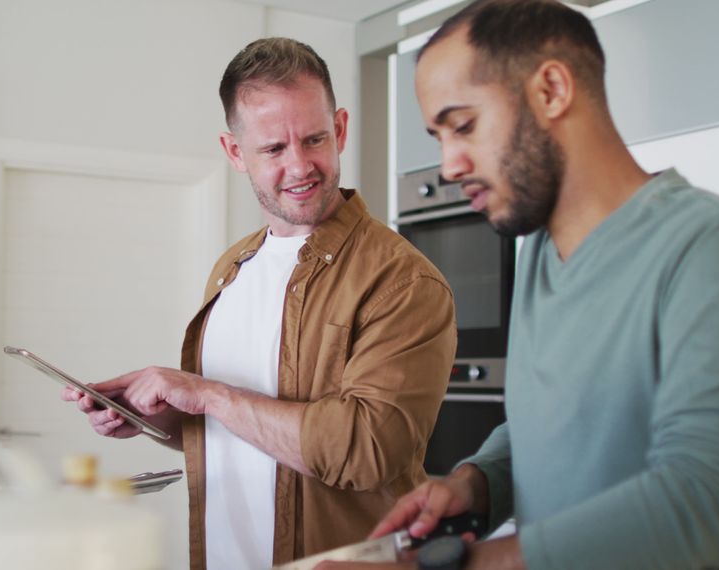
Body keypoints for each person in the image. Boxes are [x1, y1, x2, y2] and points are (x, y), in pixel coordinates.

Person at [353, 0, 719, 568]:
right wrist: (476, 484)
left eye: (465, 126)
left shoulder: (713, 245)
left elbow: (705, 503)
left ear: (551, 90)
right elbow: (549, 430)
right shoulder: (539, 255)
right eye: (437, 138)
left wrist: (460, 565)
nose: (450, 166)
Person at [62, 37, 457, 570]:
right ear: (234, 153)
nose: (300, 166)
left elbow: (368, 451)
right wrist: (158, 420)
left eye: (315, 139)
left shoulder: (402, 281)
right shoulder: (232, 269)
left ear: (339, 129)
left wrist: (208, 395)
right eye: (273, 149)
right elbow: (238, 432)